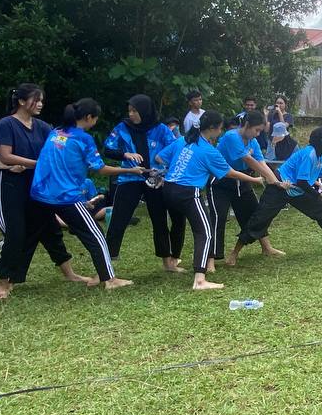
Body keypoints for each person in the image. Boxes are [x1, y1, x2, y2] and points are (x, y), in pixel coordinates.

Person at [29, 98, 144, 290]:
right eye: (95, 118)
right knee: (97, 235)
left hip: (40, 194)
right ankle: (109, 279)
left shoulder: (55, 132)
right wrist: (130, 171)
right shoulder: (83, 138)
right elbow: (100, 169)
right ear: (89, 117)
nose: (95, 122)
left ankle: (6, 283)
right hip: (65, 197)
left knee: (32, 235)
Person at [0, 84, 90, 299]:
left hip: (39, 186)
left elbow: (58, 142)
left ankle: (70, 274)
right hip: (11, 185)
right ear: (21, 102)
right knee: (15, 232)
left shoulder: (43, 126)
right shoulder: (7, 124)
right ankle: (3, 283)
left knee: (50, 228)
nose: (41, 104)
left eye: (42, 100)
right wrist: (39, 163)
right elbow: (5, 155)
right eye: (37, 100)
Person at [155, 110, 265, 290]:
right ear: (213, 129)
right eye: (220, 129)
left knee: (178, 225)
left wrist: (178, 166)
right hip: (188, 193)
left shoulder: (183, 140)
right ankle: (199, 280)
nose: (220, 132)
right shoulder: (209, 151)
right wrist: (254, 179)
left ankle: (172, 262)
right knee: (205, 233)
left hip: (168, 189)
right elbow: (229, 173)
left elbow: (159, 158)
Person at [239, 124, 322, 259]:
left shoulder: (320, 157)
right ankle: (235, 253)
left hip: (296, 190)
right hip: (279, 186)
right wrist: (318, 194)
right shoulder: (309, 154)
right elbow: (302, 182)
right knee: (261, 218)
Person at [101, 94, 185, 272]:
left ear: (145, 111)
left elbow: (175, 149)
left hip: (155, 179)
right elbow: (108, 148)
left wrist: (164, 169)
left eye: (134, 111)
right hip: (130, 177)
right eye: (129, 111)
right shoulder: (123, 127)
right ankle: (106, 268)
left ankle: (168, 262)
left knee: (159, 220)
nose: (131, 114)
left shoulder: (161, 129)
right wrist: (124, 154)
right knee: (118, 220)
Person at [214, 110, 286, 267]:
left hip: (242, 180)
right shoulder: (232, 136)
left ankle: (266, 247)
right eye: (257, 130)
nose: (258, 134)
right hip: (222, 182)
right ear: (247, 125)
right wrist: (272, 181)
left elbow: (262, 163)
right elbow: (248, 159)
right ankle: (211, 259)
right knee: (218, 218)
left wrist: (276, 182)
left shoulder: (253, 142)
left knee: (256, 213)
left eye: (260, 131)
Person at [266, 95, 297, 161]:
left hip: (284, 142)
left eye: (281, 103)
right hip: (272, 142)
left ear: (285, 104)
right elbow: (266, 130)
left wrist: (280, 113)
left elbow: (283, 127)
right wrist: (266, 116)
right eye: (277, 103)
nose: (278, 105)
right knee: (271, 162)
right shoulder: (272, 115)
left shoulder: (289, 116)